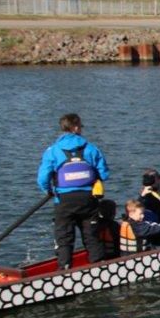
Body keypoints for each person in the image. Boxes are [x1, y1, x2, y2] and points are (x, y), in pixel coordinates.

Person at [37, 113, 110, 270]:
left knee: (64, 238)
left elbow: (43, 178)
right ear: (76, 127)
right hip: (88, 199)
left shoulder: (52, 151)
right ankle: (98, 266)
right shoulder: (91, 149)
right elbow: (104, 174)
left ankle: (64, 268)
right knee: (91, 235)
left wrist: (48, 191)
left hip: (63, 200)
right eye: (81, 126)